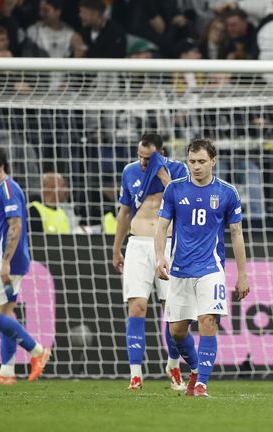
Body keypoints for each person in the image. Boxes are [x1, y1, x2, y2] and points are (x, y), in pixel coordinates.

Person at [155, 138, 250, 398]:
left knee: (208, 321)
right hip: (180, 269)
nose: (196, 167)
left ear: (213, 161)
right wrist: (159, 257)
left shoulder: (227, 192)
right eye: (191, 162)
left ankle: (201, 384)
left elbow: (237, 234)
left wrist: (242, 274)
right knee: (176, 331)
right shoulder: (174, 189)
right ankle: (196, 368)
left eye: (201, 162)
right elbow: (162, 226)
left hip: (211, 267)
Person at [112, 134, 190, 391]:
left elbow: (184, 206)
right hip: (137, 244)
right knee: (137, 306)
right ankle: (136, 374)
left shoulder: (178, 170)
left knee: (172, 311)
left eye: (148, 158)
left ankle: (173, 365)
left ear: (162, 153)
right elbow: (124, 211)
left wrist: (166, 179)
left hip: (168, 244)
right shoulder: (130, 172)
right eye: (140, 157)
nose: (143, 163)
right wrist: (117, 247)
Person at [0, 148, 51, 385]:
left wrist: (4, 263)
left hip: (9, 262)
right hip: (3, 260)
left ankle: (38, 351)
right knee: (6, 313)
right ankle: (7, 371)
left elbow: (15, 226)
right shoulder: (1, 190)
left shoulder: (9, 189)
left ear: (0, 168)